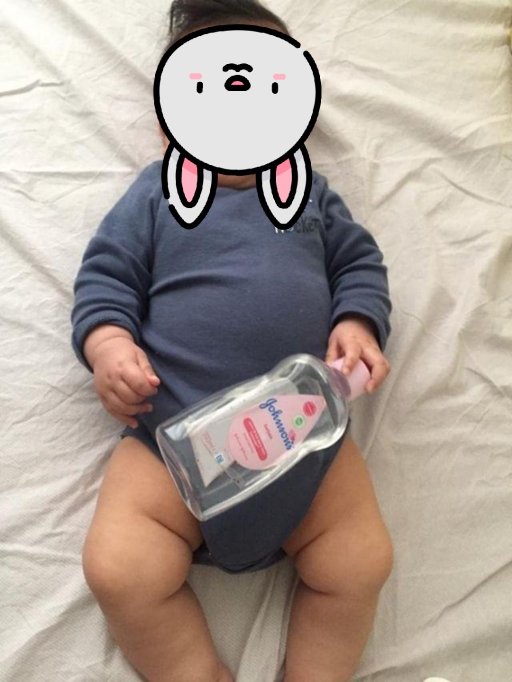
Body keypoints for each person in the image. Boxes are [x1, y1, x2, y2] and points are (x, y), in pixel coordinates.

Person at [70, 1, 394, 680]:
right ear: (171, 121)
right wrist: (108, 347)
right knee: (119, 569)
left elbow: (359, 264)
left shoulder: (312, 198)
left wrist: (358, 323)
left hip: (305, 439)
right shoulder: (156, 197)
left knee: (360, 563)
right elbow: (107, 278)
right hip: (171, 441)